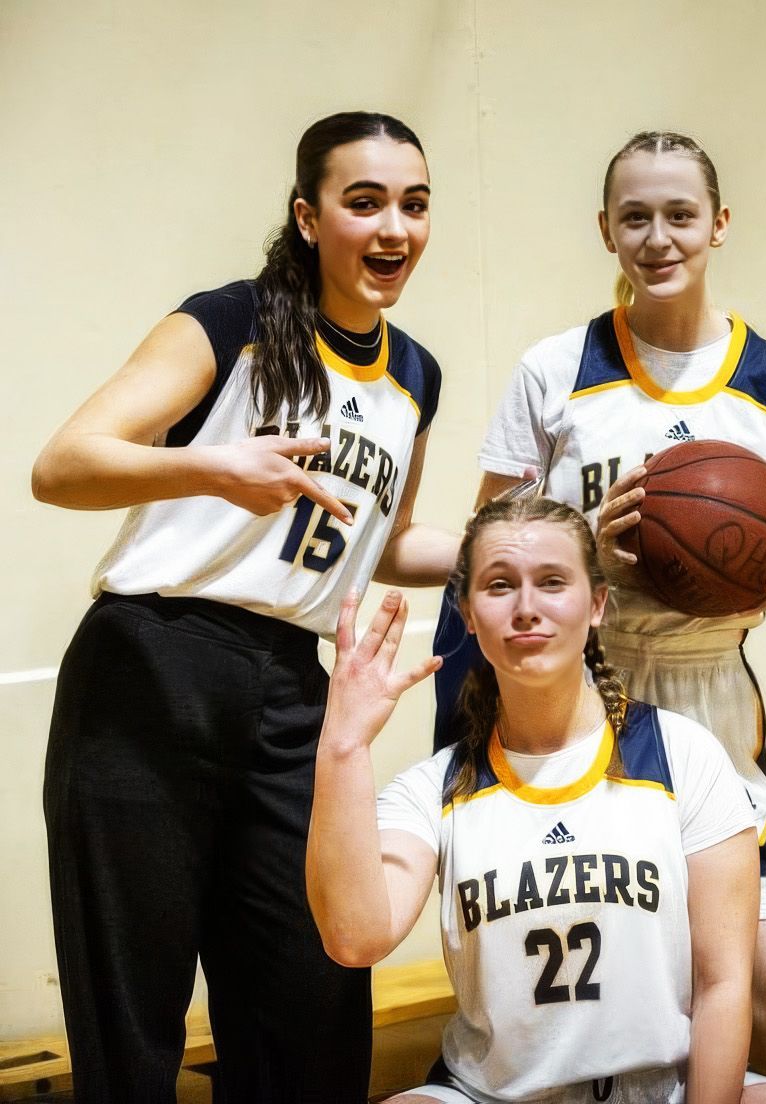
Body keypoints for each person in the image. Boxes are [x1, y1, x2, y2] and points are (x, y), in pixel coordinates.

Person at [30, 111, 450, 1102]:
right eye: (364, 202)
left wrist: (526, 551)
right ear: (309, 217)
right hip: (153, 669)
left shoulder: (416, 374)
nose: (393, 227)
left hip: (295, 695)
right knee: (134, 1024)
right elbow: (63, 465)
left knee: (312, 1011)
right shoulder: (230, 321)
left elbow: (384, 540)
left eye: (414, 204)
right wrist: (214, 469)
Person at [432, 130, 766, 1091]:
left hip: (715, 689)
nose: (659, 237)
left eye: (681, 215)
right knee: (610, 997)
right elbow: (488, 538)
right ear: (605, 229)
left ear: (720, 225)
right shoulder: (554, 369)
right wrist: (587, 551)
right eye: (637, 217)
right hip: (584, 696)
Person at [309, 496, 766, 1103]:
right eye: (500, 586)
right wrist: (343, 744)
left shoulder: (685, 754)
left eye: (553, 582)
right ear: (468, 612)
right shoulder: (437, 787)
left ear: (597, 602)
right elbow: (354, 938)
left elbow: (723, 984)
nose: (527, 608)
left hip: (665, 1091)